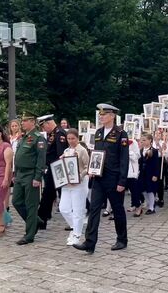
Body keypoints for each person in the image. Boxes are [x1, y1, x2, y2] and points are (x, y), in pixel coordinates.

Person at [73, 103, 129, 255]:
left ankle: (122, 239)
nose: (101, 116)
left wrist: (122, 181)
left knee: (117, 209)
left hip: (114, 177)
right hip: (99, 177)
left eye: (104, 114)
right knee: (94, 208)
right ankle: (90, 242)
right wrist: (92, 169)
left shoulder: (121, 134)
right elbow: (95, 154)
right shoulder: (98, 133)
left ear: (112, 116)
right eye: (100, 114)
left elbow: (124, 159)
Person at [12, 111, 47, 245]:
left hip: (31, 174)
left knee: (31, 205)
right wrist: (15, 173)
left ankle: (29, 235)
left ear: (33, 122)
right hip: (20, 174)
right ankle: (35, 221)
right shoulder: (23, 137)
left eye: (25, 121)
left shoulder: (38, 138)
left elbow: (41, 159)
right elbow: (18, 156)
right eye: (22, 121)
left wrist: (38, 177)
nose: (22, 123)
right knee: (16, 201)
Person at [36, 114, 68, 230]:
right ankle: (42, 219)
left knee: (61, 194)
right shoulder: (52, 133)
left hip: (57, 169)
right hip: (51, 169)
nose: (44, 129)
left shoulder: (59, 134)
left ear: (48, 123)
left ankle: (41, 219)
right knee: (49, 195)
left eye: (44, 126)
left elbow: (60, 154)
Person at [59, 128, 89, 246]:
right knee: (63, 208)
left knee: (77, 209)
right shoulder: (66, 150)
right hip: (67, 183)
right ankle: (75, 226)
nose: (71, 141)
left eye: (73, 138)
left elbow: (87, 167)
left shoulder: (82, 150)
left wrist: (79, 177)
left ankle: (77, 234)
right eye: (69, 138)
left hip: (79, 184)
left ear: (78, 138)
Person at [139, 134, 160, 214]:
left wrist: (155, 175)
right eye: (142, 140)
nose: (142, 142)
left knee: (150, 190)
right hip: (142, 173)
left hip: (150, 173)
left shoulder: (154, 151)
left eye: (144, 140)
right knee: (144, 190)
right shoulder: (141, 150)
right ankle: (148, 204)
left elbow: (156, 164)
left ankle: (152, 207)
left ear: (150, 140)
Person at [126, 137, 144, 217]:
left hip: (131, 171)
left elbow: (137, 156)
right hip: (120, 170)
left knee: (134, 190)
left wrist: (128, 151)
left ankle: (138, 206)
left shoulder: (133, 143)